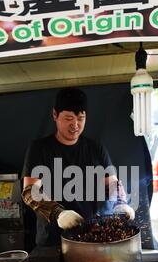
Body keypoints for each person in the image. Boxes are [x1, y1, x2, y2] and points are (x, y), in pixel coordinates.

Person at [21, 87, 134, 246]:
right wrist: (58, 214)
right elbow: (30, 191)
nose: (75, 124)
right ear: (55, 115)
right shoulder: (40, 149)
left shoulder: (96, 148)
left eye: (81, 118)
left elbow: (112, 183)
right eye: (68, 118)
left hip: (91, 237)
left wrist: (121, 202)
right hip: (52, 241)